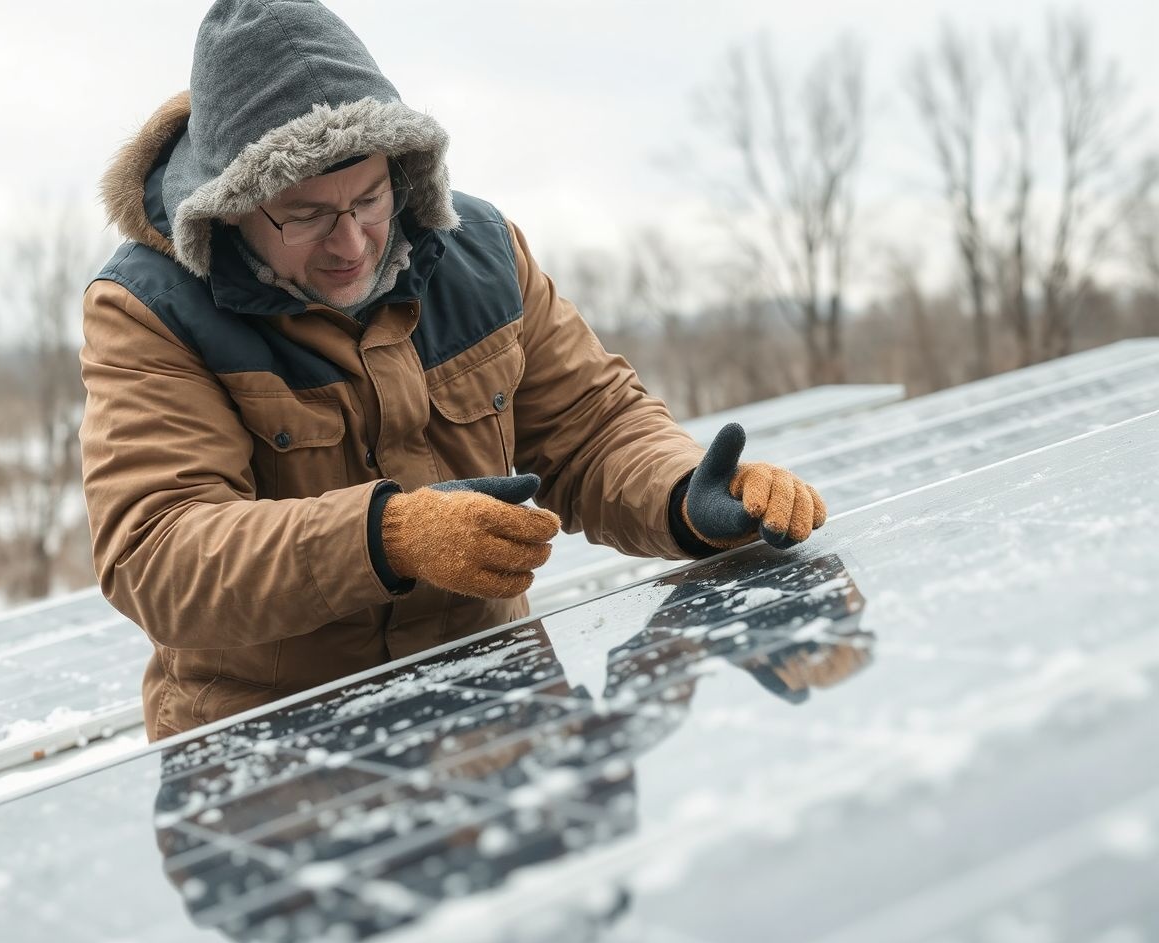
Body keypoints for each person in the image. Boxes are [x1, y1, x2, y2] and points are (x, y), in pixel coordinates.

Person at [80, 0, 828, 742]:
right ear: (227, 205)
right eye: (305, 216)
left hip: (498, 714)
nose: (352, 244)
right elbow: (157, 550)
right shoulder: (151, 309)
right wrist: (387, 536)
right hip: (272, 756)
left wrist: (684, 496)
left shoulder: (483, 254)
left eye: (371, 198)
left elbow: (591, 430)